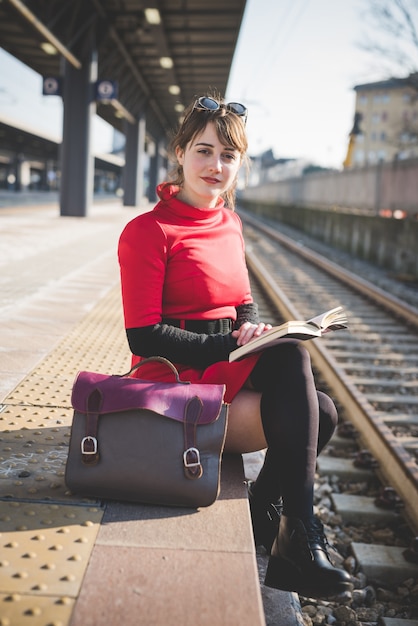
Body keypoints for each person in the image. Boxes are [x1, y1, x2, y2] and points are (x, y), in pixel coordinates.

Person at [118, 93, 352, 599]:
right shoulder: (147, 231)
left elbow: (242, 303)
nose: (215, 165)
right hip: (170, 384)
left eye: (228, 155)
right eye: (204, 151)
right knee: (299, 372)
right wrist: (228, 347)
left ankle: (267, 510)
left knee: (324, 412)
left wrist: (251, 331)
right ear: (179, 152)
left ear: (239, 164)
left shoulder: (230, 222)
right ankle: (299, 534)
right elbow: (142, 335)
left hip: (219, 370)